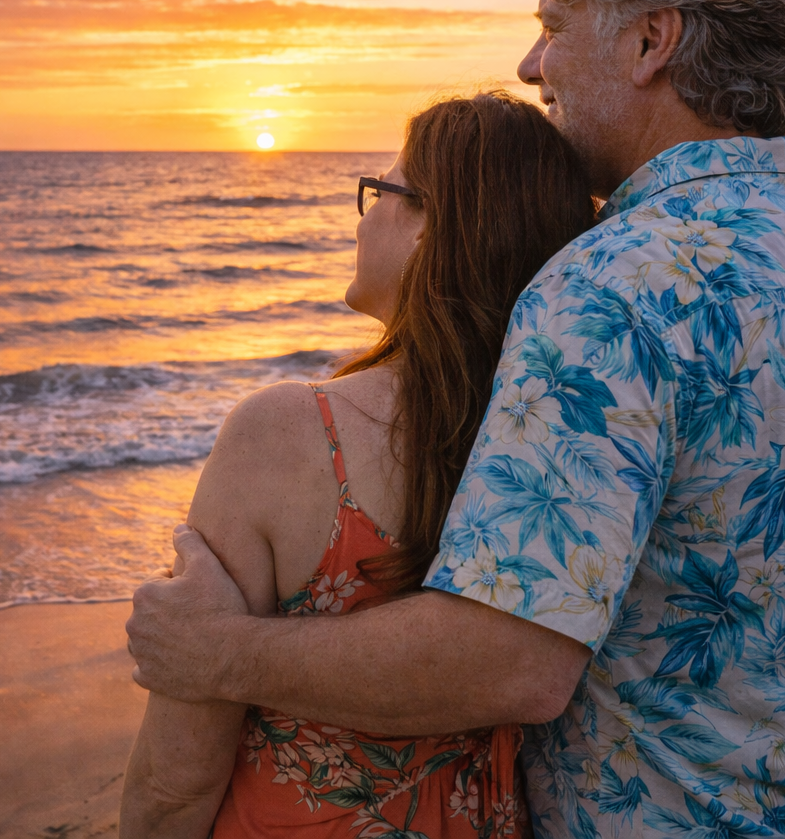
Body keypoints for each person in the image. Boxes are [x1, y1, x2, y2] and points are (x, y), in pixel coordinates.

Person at [127, 0, 785, 839]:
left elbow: (509, 663)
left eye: (552, 25)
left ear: (652, 40)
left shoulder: (614, 281)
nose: (532, 67)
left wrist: (216, 654)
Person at [119, 91, 598, 837]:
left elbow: (177, 779)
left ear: (428, 225)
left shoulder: (286, 434)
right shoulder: (556, 438)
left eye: (381, 191)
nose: (364, 215)